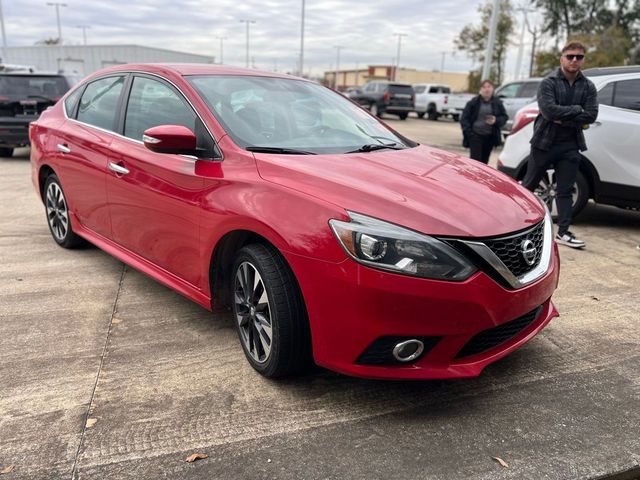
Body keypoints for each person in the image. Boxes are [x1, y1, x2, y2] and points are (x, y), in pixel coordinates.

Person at [521, 41, 598, 249]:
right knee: (528, 186)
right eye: (570, 56)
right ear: (562, 58)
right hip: (544, 142)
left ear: (583, 60)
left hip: (571, 145)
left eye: (579, 57)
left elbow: (591, 115)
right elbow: (548, 111)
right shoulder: (549, 82)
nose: (574, 60)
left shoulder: (588, 86)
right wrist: (576, 111)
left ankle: (563, 232)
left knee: (565, 191)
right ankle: (516, 225)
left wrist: (564, 116)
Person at [460, 79, 507, 164]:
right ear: (480, 89)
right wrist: (469, 133)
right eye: (484, 87)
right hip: (475, 136)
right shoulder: (473, 102)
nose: (487, 89)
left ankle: (481, 177)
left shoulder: (497, 103)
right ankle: (473, 177)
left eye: (489, 87)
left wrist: (496, 120)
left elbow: (504, 117)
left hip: (489, 137)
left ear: (493, 89)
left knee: (484, 163)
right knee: (475, 162)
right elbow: (464, 119)